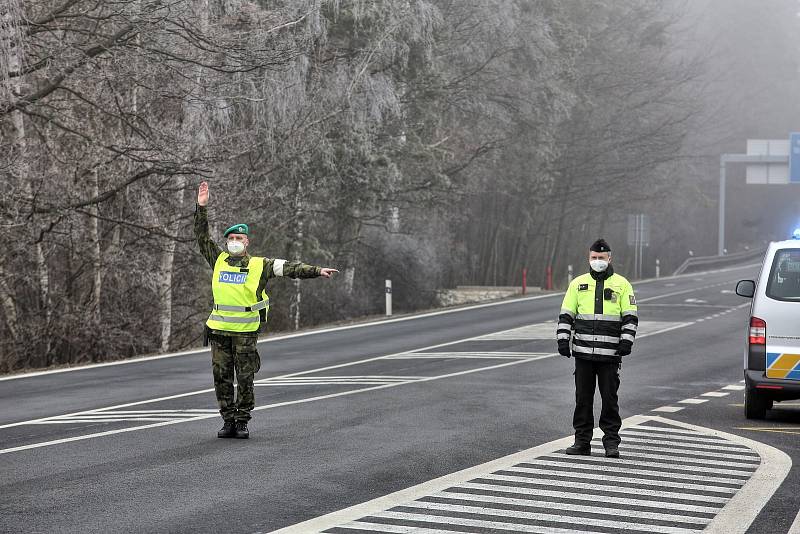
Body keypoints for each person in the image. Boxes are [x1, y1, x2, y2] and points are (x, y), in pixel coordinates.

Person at [195, 181, 338, 439]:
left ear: (247, 242)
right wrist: (201, 207)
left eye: (239, 238)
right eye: (231, 239)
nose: (235, 242)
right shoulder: (217, 260)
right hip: (219, 331)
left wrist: (317, 271)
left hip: (246, 332)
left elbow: (291, 268)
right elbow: (201, 237)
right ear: (226, 242)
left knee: (245, 377)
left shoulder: (261, 265)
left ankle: (242, 421)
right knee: (221, 377)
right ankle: (227, 420)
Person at [556, 239, 638, 458]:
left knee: (610, 400)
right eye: (594, 258)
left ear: (609, 258)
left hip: (610, 355)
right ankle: (582, 442)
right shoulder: (577, 284)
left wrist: (626, 341)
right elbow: (566, 315)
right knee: (583, 399)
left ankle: (611, 443)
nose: (597, 261)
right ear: (588, 258)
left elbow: (630, 317)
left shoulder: (622, 284)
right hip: (583, 354)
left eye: (601, 258)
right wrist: (563, 340)